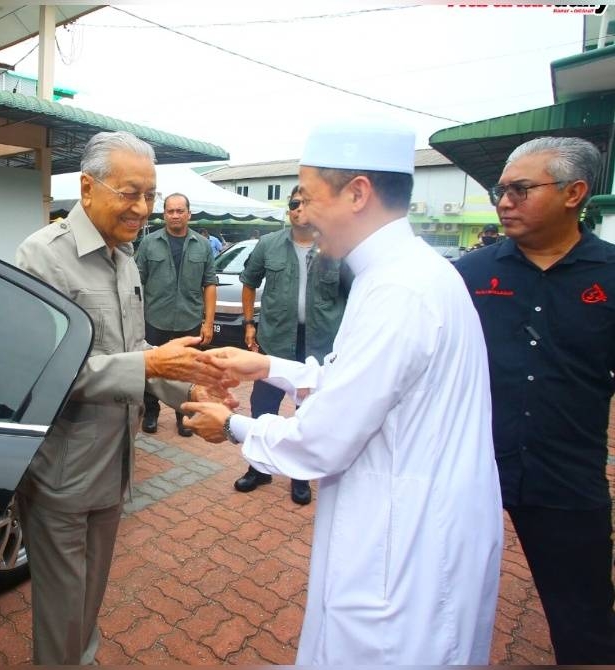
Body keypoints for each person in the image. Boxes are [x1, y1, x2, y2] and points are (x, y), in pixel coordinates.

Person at [182, 117, 503, 664]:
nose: (301, 214)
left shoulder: (398, 290)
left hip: (405, 544)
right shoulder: (407, 273)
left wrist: (233, 425)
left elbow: (322, 438)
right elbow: (364, 383)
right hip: (419, 518)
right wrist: (266, 365)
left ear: (358, 193)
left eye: (306, 197)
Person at [13, 130, 233, 665]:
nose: (142, 208)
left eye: (150, 196)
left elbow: (132, 352)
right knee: (62, 616)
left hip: (114, 467)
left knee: (88, 606)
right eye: (130, 193)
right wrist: (150, 364)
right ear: (88, 188)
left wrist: (186, 385)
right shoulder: (43, 258)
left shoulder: (126, 259)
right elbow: (40, 371)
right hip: (61, 475)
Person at [454, 136, 615, 664]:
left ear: (575, 193)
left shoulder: (610, 276)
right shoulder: (467, 277)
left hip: (567, 478)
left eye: (520, 189)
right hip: (469, 470)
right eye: (502, 190)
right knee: (439, 595)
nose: (503, 201)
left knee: (584, 620)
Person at [232, 184, 350, 503]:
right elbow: (249, 282)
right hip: (275, 341)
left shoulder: (337, 248)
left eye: (307, 203)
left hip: (318, 346)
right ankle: (259, 469)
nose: (300, 208)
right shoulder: (269, 245)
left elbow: (354, 295)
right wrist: (249, 324)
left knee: (307, 413)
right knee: (262, 407)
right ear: (289, 208)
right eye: (295, 203)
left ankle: (300, 476)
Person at [136, 193, 218, 437]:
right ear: (164, 214)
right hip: (154, 319)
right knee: (151, 370)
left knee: (186, 372)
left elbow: (210, 283)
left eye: (180, 210)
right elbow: (137, 283)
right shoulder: (149, 243)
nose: (175, 215)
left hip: (189, 320)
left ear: (189, 214)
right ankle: (151, 413)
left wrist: (209, 323)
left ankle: (183, 416)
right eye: (170, 211)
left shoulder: (202, 245)